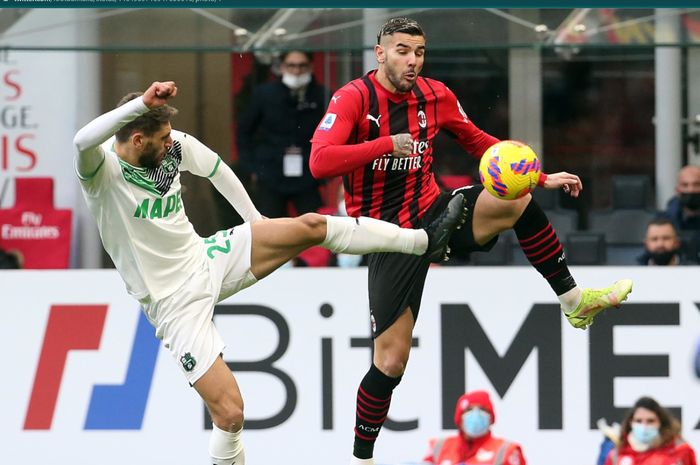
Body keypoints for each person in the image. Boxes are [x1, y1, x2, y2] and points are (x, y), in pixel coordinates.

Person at [72, 80, 468, 465]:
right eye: (161, 140)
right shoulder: (101, 171)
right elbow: (81, 140)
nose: (170, 144)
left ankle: (423, 241)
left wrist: (255, 219)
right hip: (172, 302)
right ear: (137, 140)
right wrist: (141, 103)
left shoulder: (171, 146)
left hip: (205, 258)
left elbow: (216, 168)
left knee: (310, 226)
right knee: (230, 414)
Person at [308, 17, 634, 465]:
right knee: (390, 363)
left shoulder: (436, 95)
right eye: (402, 50)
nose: (412, 60)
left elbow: (480, 143)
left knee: (515, 199)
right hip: (386, 236)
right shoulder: (353, 98)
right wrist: (385, 145)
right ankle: (361, 457)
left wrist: (539, 177)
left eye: (419, 52)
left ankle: (574, 300)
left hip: (435, 212)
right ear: (379, 53)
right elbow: (320, 162)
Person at [237, 50, 327, 218]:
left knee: (315, 224)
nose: (297, 70)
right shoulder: (264, 94)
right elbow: (244, 131)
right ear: (282, 67)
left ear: (311, 67)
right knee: (270, 227)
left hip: (308, 173)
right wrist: (252, 168)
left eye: (302, 66)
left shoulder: (322, 94)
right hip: (271, 172)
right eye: (291, 65)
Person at [422, 390, 526, 465]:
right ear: (459, 418)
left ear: (491, 417)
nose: (475, 415)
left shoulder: (508, 450)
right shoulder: (438, 446)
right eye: (469, 410)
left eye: (482, 409)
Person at [603, 396, 697, 465]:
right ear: (630, 422)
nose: (644, 426)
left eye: (650, 421)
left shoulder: (680, 451)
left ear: (660, 422)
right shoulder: (616, 455)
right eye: (638, 421)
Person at [663, 164, 700, 233]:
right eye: (685, 185)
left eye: (697, 184)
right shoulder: (664, 221)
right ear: (677, 190)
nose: (691, 190)